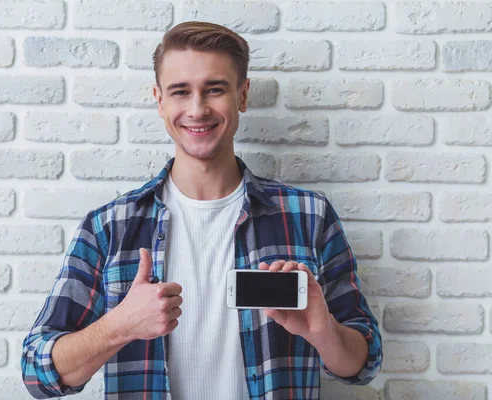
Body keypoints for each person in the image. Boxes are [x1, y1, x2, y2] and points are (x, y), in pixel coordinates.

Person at [21, 21, 382, 400]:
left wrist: (323, 332)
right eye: (180, 91)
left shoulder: (309, 216)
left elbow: (364, 363)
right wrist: (120, 326)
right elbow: (36, 372)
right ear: (160, 100)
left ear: (242, 95)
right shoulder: (110, 227)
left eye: (215, 89)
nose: (197, 109)